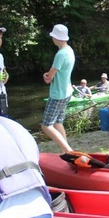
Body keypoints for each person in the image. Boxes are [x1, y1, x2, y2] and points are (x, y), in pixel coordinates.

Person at [42, 24, 75, 153]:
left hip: (58, 94)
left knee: (46, 125)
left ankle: (68, 150)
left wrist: (45, 76)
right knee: (58, 122)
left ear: (55, 38)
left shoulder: (60, 54)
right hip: (67, 92)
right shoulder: (69, 50)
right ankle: (65, 152)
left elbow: (49, 77)